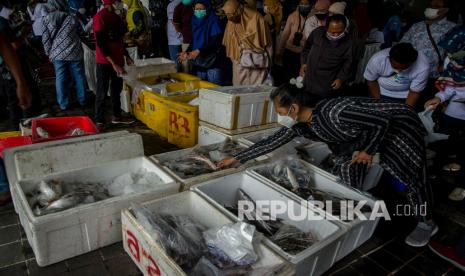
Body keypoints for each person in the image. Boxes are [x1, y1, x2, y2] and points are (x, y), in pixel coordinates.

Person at [218, 82, 437, 247]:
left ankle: (426, 222)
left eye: (281, 111)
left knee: (410, 175)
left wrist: (368, 150)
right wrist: (237, 159)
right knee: (345, 171)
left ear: (294, 108)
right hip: (361, 135)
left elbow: (381, 121)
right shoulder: (302, 123)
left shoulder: (335, 113)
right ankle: (354, 217)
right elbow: (272, 141)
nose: (280, 116)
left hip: (400, 129)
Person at [424, 25, 465, 189]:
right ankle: (439, 175)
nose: (450, 57)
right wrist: (438, 97)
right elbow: (450, 87)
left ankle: (461, 184)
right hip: (455, 110)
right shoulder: (452, 60)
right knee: (446, 141)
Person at [0, 18, 32, 205]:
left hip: (6, 81)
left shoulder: (3, 23)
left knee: (18, 125)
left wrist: (20, 82)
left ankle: (12, 181)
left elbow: (6, 45)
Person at [93, 0, 135, 129]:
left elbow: (120, 41)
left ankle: (117, 116)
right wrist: (113, 63)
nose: (119, 3)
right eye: (117, 1)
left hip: (118, 60)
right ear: (110, 3)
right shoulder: (99, 17)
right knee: (102, 92)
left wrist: (126, 56)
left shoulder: (116, 17)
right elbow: (101, 43)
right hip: (105, 61)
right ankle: (99, 120)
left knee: (116, 90)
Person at [42, 0, 87, 112]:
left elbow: (46, 39)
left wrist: (48, 53)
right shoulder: (72, 18)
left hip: (57, 54)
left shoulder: (46, 19)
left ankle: (63, 104)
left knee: (60, 78)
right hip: (75, 53)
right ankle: (82, 100)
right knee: (79, 76)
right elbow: (81, 32)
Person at [300, 14, 353, 98]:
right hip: (309, 79)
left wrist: (340, 78)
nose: (336, 35)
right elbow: (307, 48)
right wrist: (304, 63)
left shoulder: (348, 42)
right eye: (333, 32)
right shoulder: (317, 33)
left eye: (340, 32)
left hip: (326, 84)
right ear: (326, 28)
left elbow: (348, 62)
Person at [222, 0, 272, 86]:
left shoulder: (257, 18)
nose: (229, 17)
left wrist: (269, 64)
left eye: (231, 13)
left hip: (256, 63)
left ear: (239, 9)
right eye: (227, 14)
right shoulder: (231, 20)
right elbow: (229, 43)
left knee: (256, 91)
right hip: (238, 63)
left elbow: (267, 43)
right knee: (239, 91)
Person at [401, 0, 455, 79]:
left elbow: (459, 53)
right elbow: (402, 45)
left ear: (446, 9)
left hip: (435, 76)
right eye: (430, 5)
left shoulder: (453, 28)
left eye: (436, 6)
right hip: (410, 74)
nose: (431, 8)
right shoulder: (416, 26)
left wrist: (446, 65)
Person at [364, 43, 430, 107]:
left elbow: (414, 93)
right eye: (395, 67)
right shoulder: (377, 59)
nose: (399, 70)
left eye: (403, 67)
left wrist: (406, 110)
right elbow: (371, 81)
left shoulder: (423, 66)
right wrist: (379, 102)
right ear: (389, 59)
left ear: (412, 62)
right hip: (380, 91)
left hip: (405, 96)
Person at [179, 0, 224, 85]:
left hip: (213, 62)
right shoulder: (194, 19)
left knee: (214, 89)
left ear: (207, 8)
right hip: (200, 62)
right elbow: (194, 40)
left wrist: (199, 51)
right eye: (196, 9)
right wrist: (187, 52)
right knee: (202, 87)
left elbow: (216, 42)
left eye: (201, 9)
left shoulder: (213, 20)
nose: (198, 11)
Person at [275, 0, 313, 81]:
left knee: (300, 78)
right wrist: (279, 51)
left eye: (306, 4)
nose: (303, 5)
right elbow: (285, 34)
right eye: (302, 3)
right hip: (290, 51)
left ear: (310, 5)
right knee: (287, 76)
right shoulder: (292, 16)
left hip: (304, 53)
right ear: (298, 4)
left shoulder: (313, 17)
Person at [167, 0, 183, 71]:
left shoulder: (172, 4)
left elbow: (174, 22)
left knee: (176, 66)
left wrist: (180, 31)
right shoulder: (184, 3)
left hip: (175, 39)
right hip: (182, 39)